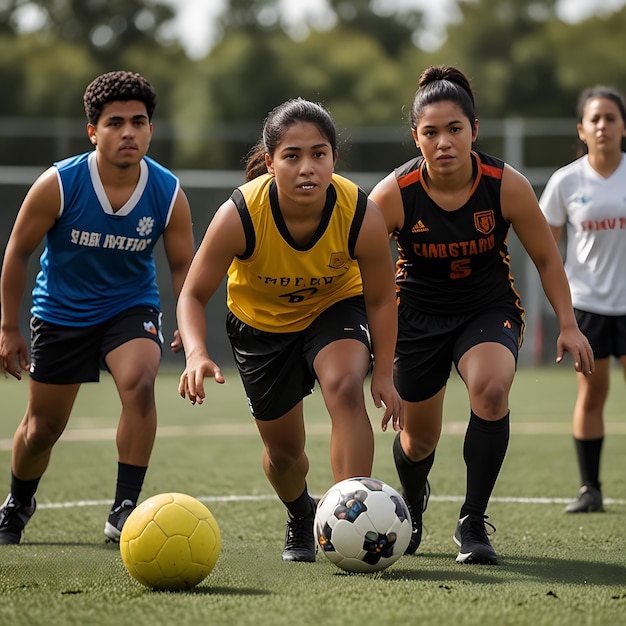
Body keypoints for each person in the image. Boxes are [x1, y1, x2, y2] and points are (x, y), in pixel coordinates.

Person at [368, 65, 594, 565]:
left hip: (486, 309)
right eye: (431, 132)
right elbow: (360, 271)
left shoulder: (505, 185)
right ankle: (413, 501)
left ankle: (473, 520)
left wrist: (570, 325)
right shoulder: (392, 194)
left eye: (455, 129)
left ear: (474, 130)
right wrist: (373, 354)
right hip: (417, 318)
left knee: (491, 390)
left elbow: (547, 258)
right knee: (418, 440)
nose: (444, 141)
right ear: (416, 137)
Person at [176, 97, 402, 562]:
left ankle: (349, 527)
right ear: (269, 162)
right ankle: (301, 513)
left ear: (334, 159)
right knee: (284, 456)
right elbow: (192, 295)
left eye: (319, 154)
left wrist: (383, 371)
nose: (307, 168)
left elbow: (380, 298)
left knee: (344, 387)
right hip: (260, 329)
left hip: (334, 307)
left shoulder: (360, 213)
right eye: (292, 156)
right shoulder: (240, 214)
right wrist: (196, 352)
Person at [0, 71, 195, 545]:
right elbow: (17, 254)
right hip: (61, 313)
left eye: (138, 121)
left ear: (150, 128)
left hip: (130, 307)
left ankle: (124, 508)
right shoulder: (59, 184)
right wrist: (8, 327)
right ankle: (19, 500)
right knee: (42, 429)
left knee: (141, 382)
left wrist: (190, 329)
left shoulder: (167, 193)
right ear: (93, 131)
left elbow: (184, 269)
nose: (128, 132)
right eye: (114, 123)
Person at [539, 85, 626, 514]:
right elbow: (544, 246)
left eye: (611, 117)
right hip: (588, 306)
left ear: (623, 126)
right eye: (595, 119)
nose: (603, 125)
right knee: (592, 396)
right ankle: (590, 489)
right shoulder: (566, 181)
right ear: (582, 129)